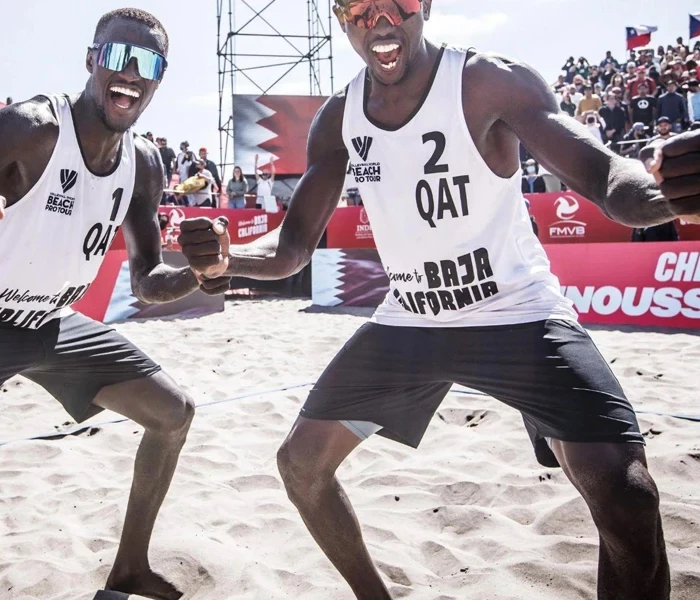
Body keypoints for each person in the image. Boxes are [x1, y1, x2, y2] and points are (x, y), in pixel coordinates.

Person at [180, 2, 700, 598]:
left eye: (395, 1)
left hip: (518, 311)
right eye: (358, 5)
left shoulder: (488, 81)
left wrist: (669, 193)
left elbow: (610, 181)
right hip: (413, 319)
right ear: (339, 17)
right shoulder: (339, 117)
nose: (379, 19)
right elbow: (294, 248)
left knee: (628, 493)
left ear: (424, 5)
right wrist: (226, 259)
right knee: (301, 466)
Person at [0, 9, 227, 600]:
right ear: (90, 60)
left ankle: (129, 568)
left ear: (161, 78)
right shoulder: (30, 128)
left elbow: (148, 283)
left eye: (148, 63)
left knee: (174, 412)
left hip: (47, 322)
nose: (131, 72)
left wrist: (204, 273)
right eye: (117, 56)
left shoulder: (145, 163)